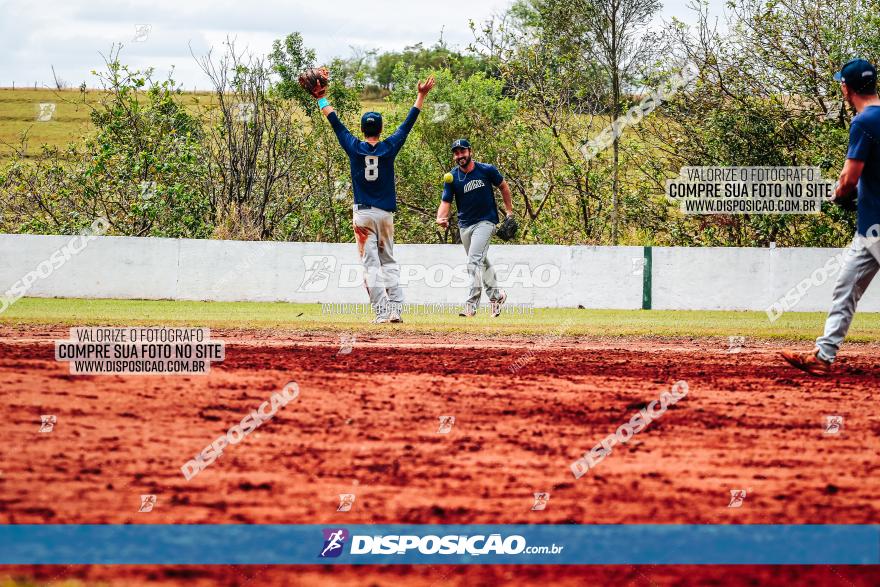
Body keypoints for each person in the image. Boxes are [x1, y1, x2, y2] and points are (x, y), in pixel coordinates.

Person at [312, 71, 435, 323]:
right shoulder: (389, 147)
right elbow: (408, 124)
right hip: (385, 214)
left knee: (371, 266)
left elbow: (335, 123)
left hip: (363, 214)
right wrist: (420, 96)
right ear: (380, 128)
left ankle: (381, 312)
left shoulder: (354, 148)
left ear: (362, 129)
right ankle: (396, 310)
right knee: (388, 260)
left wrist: (321, 98)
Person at [782, 59, 880, 375]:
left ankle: (824, 356)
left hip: (874, 230)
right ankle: (823, 356)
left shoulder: (864, 122)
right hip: (869, 229)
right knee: (845, 286)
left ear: (846, 88)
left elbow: (850, 178)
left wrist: (840, 194)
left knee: (845, 290)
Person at [435, 139, 514, 317]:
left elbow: (504, 186)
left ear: (470, 151)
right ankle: (497, 296)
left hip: (486, 221)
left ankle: (471, 305)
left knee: (473, 261)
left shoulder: (487, 170)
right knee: (481, 261)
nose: (459, 155)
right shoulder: (452, 177)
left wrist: (509, 212)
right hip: (465, 225)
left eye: (462, 151)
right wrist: (441, 217)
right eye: (456, 153)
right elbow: (445, 201)